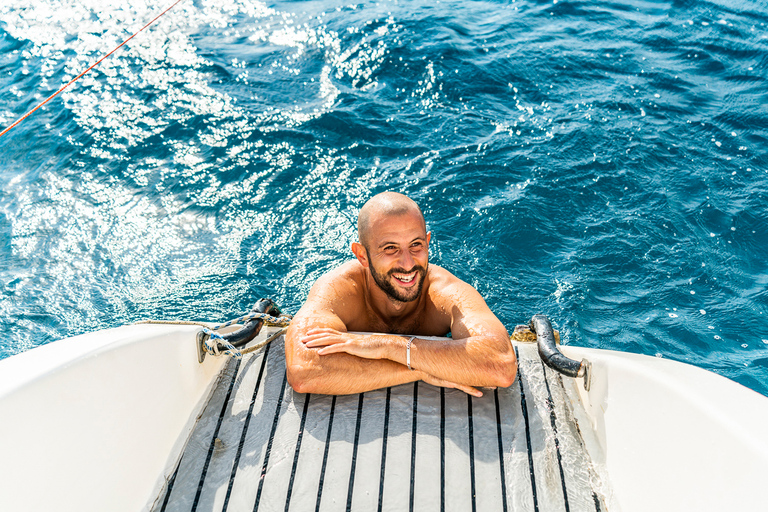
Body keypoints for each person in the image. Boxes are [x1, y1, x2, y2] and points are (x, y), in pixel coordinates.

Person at [285, 192, 517, 397]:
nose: (408, 264)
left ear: (427, 242)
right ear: (362, 255)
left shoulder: (445, 292)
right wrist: (421, 370)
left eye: (416, 245)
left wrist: (388, 347)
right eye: (390, 248)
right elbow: (304, 370)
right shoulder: (340, 290)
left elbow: (501, 365)